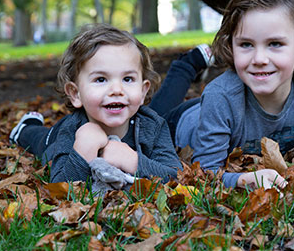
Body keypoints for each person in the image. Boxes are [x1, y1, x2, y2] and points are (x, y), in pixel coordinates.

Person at [151, 0, 294, 199]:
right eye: (246, 44)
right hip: (183, 121)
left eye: (275, 44)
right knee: (146, 120)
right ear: (231, 46)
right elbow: (204, 173)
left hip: (220, 109)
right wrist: (241, 180)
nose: (260, 58)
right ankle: (188, 64)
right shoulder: (220, 95)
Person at [9, 24, 182, 188]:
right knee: (40, 143)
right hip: (55, 138)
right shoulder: (72, 130)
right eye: (101, 79)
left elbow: (176, 176)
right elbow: (60, 188)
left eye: (127, 79)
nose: (116, 90)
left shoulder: (154, 126)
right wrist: (83, 150)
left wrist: (132, 161)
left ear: (143, 91)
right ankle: (25, 128)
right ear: (76, 94)